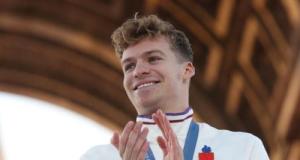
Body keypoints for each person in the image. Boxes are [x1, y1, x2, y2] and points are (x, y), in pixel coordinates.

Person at [81, 14, 270, 160]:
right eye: (129, 66)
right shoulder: (99, 157)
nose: (138, 71)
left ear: (187, 69)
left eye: (153, 59)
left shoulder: (243, 149)